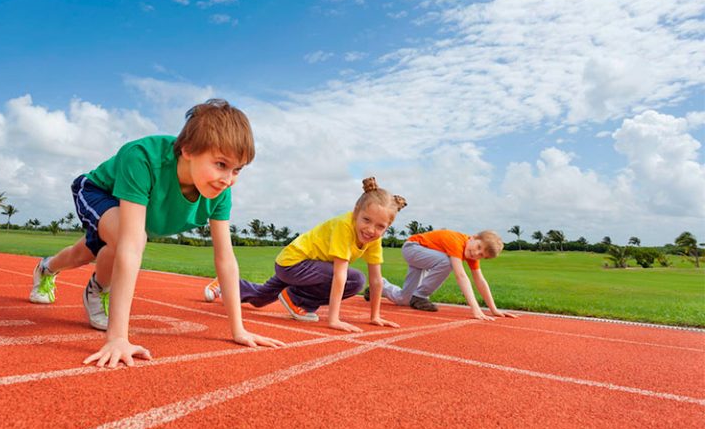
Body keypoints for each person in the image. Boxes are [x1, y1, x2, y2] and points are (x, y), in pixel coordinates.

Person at [28, 98, 285, 368]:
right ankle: (96, 289)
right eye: (221, 164)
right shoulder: (142, 158)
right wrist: (118, 338)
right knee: (129, 240)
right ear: (187, 150)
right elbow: (130, 244)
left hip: (133, 216)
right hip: (98, 191)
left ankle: (47, 268)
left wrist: (238, 330)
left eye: (237, 170)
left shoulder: (220, 191)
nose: (228, 178)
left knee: (83, 253)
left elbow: (225, 259)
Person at [204, 178, 407, 333]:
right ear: (356, 212)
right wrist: (333, 320)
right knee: (355, 280)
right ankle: (297, 300)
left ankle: (224, 284)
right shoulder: (344, 227)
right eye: (366, 220)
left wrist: (375, 316)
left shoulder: (373, 239)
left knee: (259, 299)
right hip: (294, 264)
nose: (371, 229)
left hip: (308, 269)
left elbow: (377, 280)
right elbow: (339, 275)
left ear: (387, 227)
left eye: (380, 226)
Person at [373, 229, 517, 320]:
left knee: (403, 299)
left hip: (424, 255)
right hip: (413, 248)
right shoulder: (456, 241)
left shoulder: (471, 255)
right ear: (473, 237)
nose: (476, 253)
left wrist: (493, 309)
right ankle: (420, 296)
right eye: (478, 247)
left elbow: (480, 280)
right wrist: (475, 309)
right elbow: (461, 275)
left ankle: (379, 286)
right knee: (447, 262)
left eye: (481, 255)